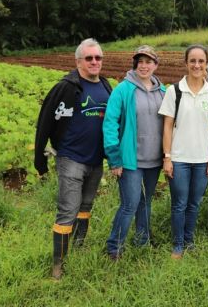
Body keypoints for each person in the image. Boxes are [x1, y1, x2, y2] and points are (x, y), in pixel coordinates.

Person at [33, 38, 112, 280]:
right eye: (89, 58)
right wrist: (40, 158)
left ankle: (78, 247)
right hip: (70, 158)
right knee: (68, 210)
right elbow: (45, 120)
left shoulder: (107, 87)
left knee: (86, 207)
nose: (94, 62)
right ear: (78, 61)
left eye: (98, 57)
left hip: (96, 160)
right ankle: (58, 264)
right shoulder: (66, 87)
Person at [159, 44, 208, 258]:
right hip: (179, 159)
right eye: (193, 61)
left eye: (201, 61)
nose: (197, 65)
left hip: (202, 159)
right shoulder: (174, 91)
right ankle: (177, 244)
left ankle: (189, 240)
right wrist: (167, 157)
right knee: (179, 204)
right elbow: (167, 126)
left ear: (207, 64)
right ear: (186, 63)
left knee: (194, 203)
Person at [102, 45, 166, 259]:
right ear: (135, 64)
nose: (144, 65)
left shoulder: (163, 91)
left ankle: (142, 240)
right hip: (130, 160)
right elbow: (110, 124)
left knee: (146, 201)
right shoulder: (123, 89)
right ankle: (114, 247)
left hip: (154, 159)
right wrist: (114, 159)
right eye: (140, 61)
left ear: (155, 65)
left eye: (148, 61)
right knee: (129, 203)